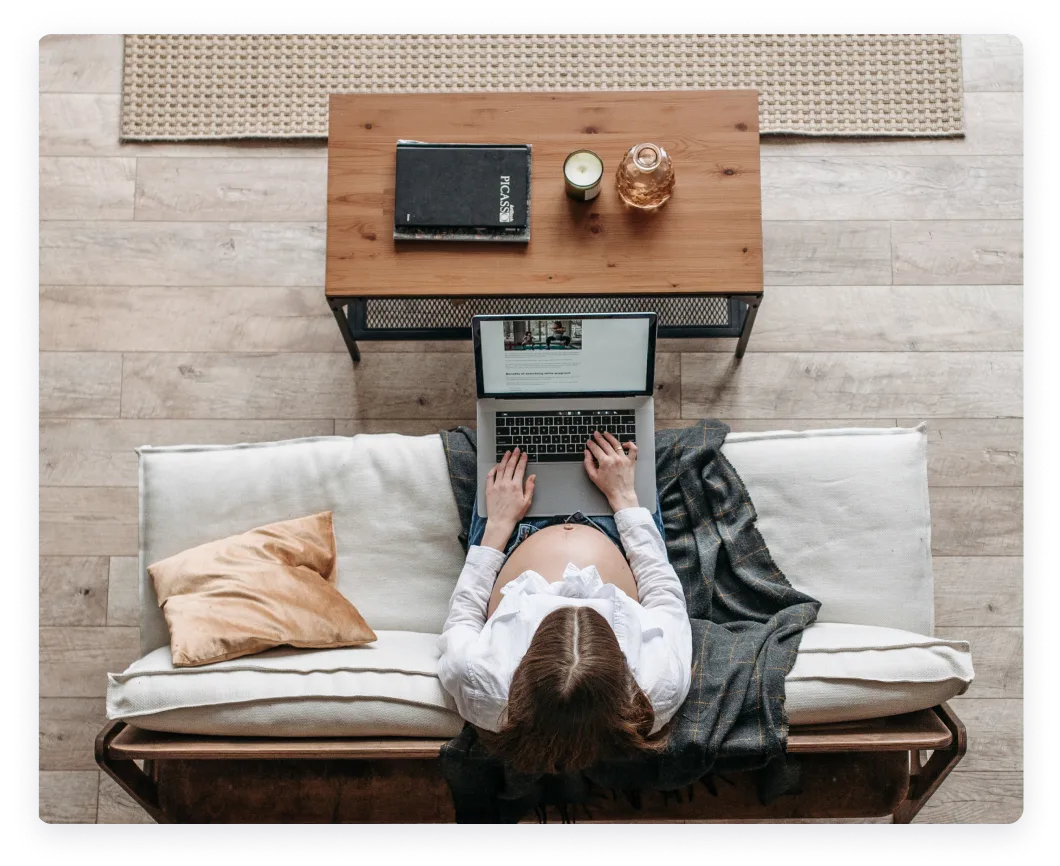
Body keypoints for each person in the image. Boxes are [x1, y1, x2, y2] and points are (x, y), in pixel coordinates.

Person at [437, 431, 693, 775]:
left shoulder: (481, 686)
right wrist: (624, 499)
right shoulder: (658, 688)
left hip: (510, 532)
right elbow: (663, 593)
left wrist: (498, 524)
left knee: (507, 433)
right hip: (615, 529)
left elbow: (464, 616)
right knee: (617, 439)